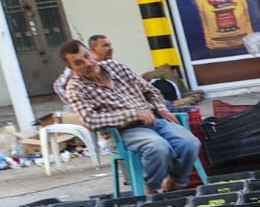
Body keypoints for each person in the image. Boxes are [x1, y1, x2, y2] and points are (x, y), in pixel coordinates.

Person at [56, 39, 201, 194]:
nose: (87, 63)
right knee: (158, 147)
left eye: (86, 56)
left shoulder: (116, 67)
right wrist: (133, 114)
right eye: (79, 63)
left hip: (154, 120)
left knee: (190, 143)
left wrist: (161, 108)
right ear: (71, 68)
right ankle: (151, 187)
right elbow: (90, 120)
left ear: (92, 53)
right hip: (124, 131)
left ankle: (175, 183)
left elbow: (150, 91)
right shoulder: (75, 88)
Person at [53, 33, 111, 101]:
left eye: (109, 45)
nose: (109, 48)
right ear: (93, 50)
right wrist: (71, 101)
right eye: (105, 46)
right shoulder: (75, 81)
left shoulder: (110, 66)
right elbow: (58, 86)